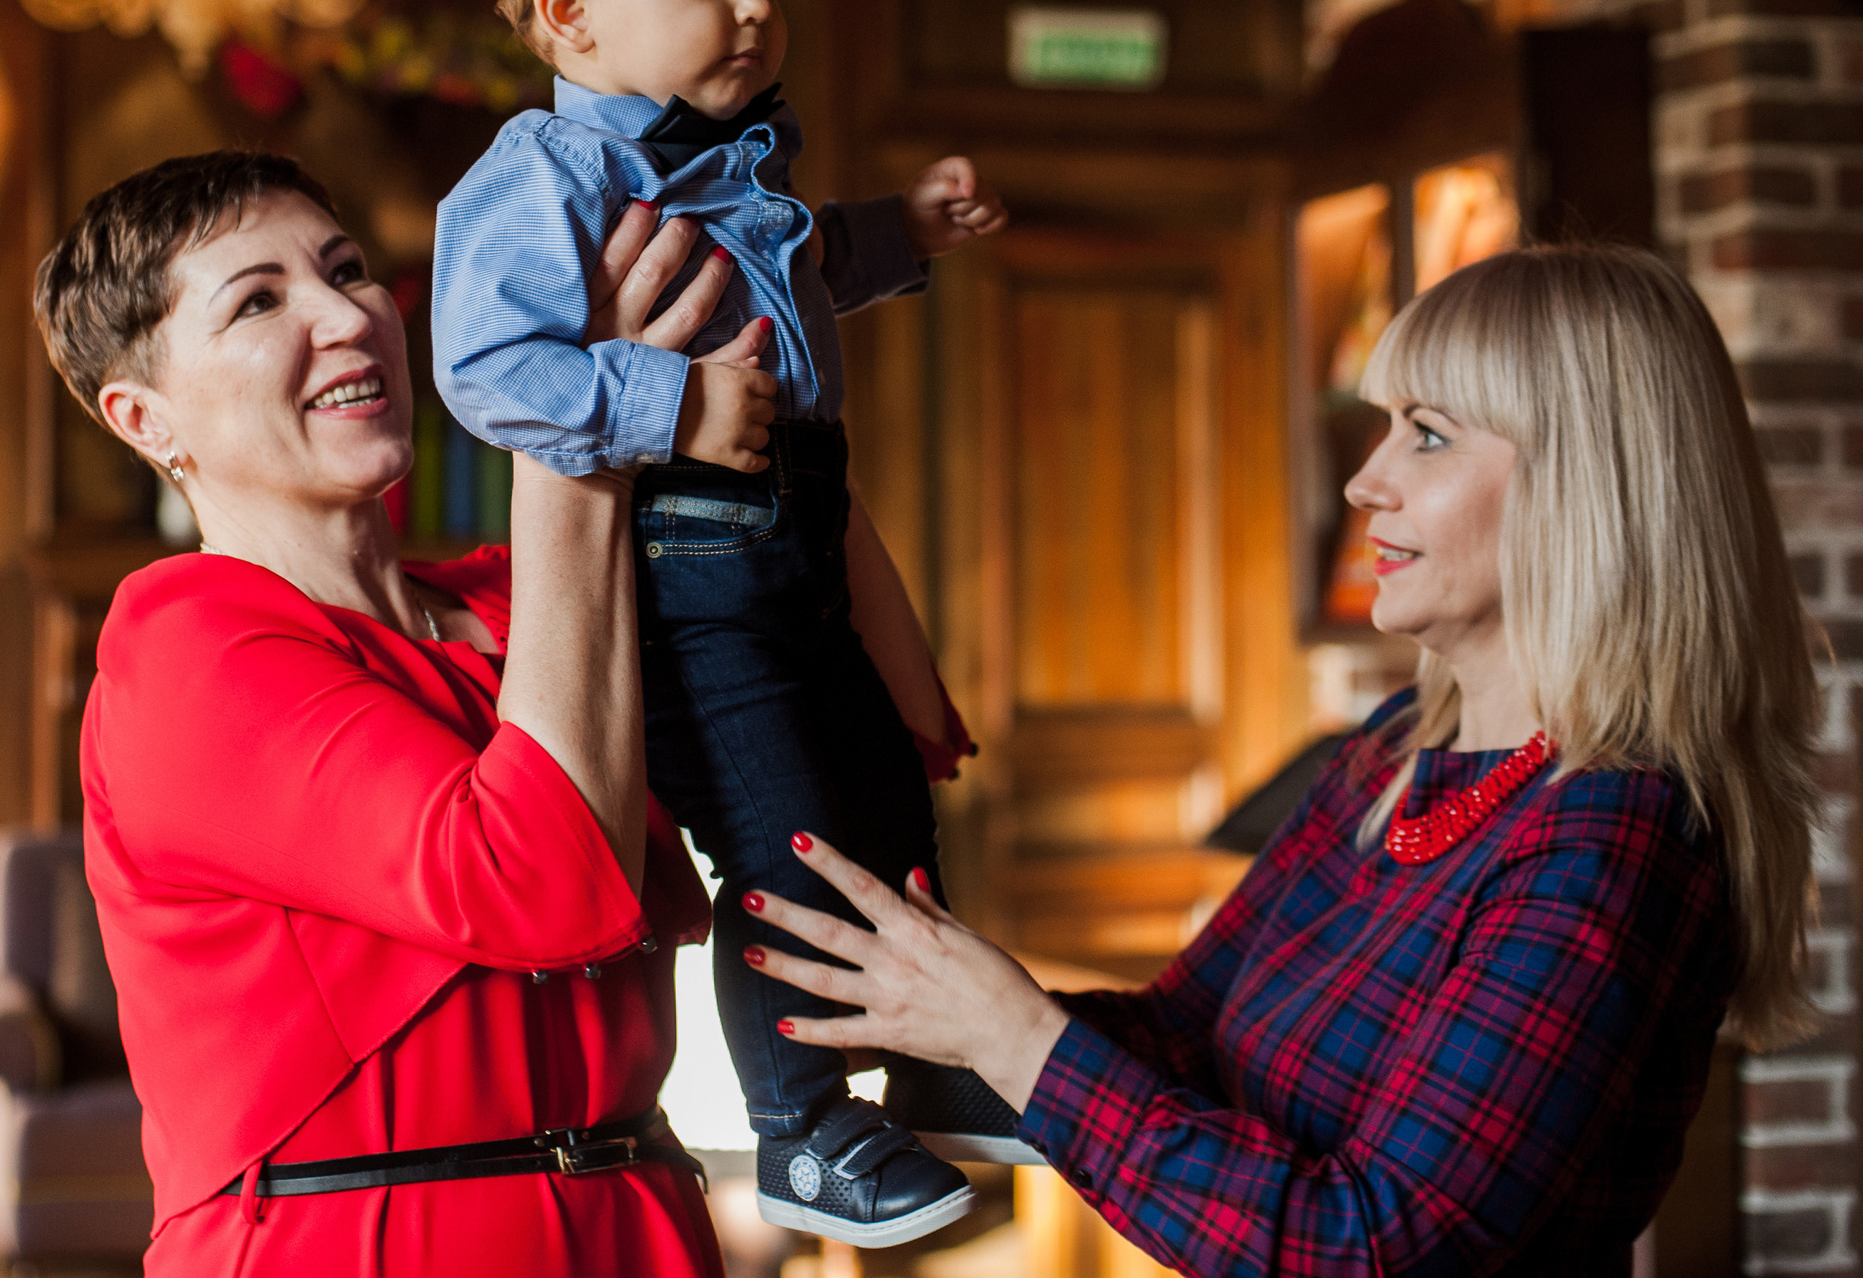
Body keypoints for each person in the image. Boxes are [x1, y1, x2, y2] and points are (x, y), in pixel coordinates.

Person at [743, 244, 1822, 1276]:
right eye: (1382, 424)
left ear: (1584, 489)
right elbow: (1184, 1034)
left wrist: (1014, 1037)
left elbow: (1370, 1249)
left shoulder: (1612, 839)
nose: (1365, 482)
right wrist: (923, 1010)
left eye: (1427, 435)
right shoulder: (1397, 751)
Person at [427, 0, 1008, 1248]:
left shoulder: (735, 162)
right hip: (687, 565)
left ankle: (928, 1052)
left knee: (884, 803)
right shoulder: (549, 179)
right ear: (570, 14)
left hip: (798, 543)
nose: (755, 7)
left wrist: (908, 230)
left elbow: (803, 260)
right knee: (786, 844)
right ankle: (802, 1128)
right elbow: (486, 368)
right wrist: (670, 407)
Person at [32, 150, 759, 1276]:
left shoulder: (521, 596)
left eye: (348, 268)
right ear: (144, 418)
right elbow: (539, 879)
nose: (349, 314)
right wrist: (576, 423)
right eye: (259, 301)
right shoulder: (180, 649)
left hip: (644, 1234)